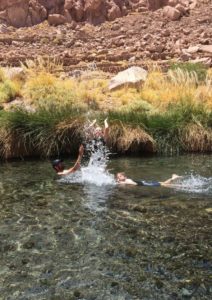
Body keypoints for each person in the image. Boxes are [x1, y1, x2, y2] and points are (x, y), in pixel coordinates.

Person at [116, 172, 182, 187]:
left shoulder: (127, 180)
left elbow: (135, 184)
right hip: (145, 182)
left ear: (124, 177)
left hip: (147, 184)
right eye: (118, 177)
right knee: (164, 183)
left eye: (120, 176)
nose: (118, 177)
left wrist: (124, 183)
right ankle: (173, 177)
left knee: (165, 185)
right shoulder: (126, 180)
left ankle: (180, 185)